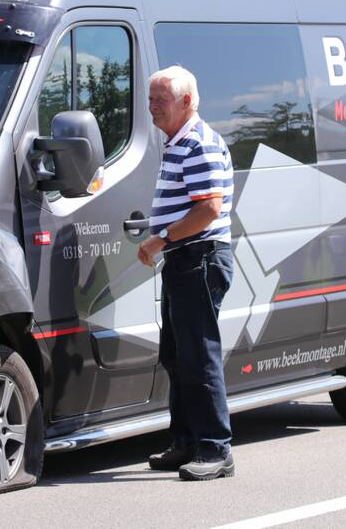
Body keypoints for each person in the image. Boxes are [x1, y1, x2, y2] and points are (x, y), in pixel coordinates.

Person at [138, 65, 235, 481]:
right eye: (151, 98)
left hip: (199, 257)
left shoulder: (197, 143)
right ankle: (187, 442)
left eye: (161, 99)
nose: (152, 106)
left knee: (199, 356)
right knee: (177, 356)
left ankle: (215, 448)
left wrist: (160, 239)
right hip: (185, 259)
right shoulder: (178, 142)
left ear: (187, 101)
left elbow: (209, 208)